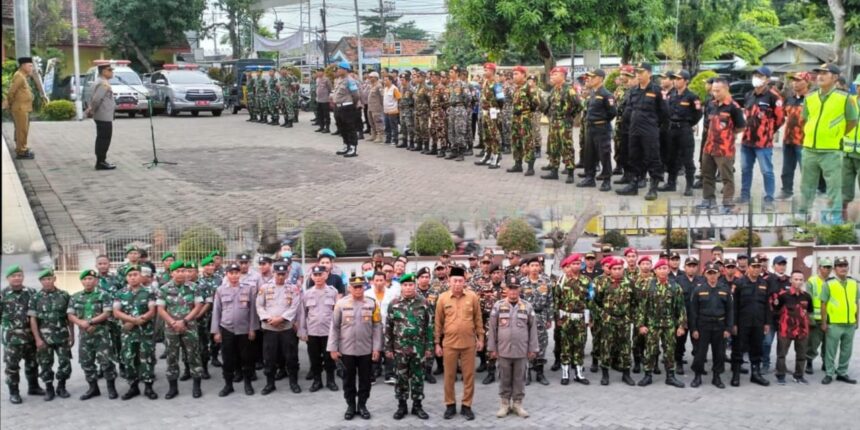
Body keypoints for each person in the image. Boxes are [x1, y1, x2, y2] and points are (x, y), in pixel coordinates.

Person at [801, 64, 858, 224]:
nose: (820, 75)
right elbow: (804, 119)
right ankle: (802, 217)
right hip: (809, 148)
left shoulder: (844, 98)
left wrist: (836, 134)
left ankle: (835, 220)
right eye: (818, 72)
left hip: (831, 150)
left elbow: (852, 121)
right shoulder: (810, 97)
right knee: (807, 186)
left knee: (834, 188)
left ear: (834, 77)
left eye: (825, 73)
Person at [329, 276, 382, 420]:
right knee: (348, 380)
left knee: (365, 380)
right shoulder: (340, 304)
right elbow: (334, 327)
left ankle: (363, 405)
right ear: (349, 288)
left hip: (366, 349)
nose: (358, 289)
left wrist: (377, 348)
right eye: (355, 287)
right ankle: (351, 405)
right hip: (346, 350)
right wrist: (333, 348)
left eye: (360, 286)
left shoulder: (372, 303)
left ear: (364, 287)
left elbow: (377, 327)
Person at [435, 266, 483, 421]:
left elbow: (478, 319)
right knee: (449, 377)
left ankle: (466, 405)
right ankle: (450, 405)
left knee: (469, 376)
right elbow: (438, 323)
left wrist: (481, 338)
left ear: (464, 282)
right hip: (449, 344)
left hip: (469, 344)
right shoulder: (442, 298)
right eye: (454, 280)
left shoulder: (472, 297)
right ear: (449, 281)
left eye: (460, 281)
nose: (457, 284)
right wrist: (437, 343)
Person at [486, 275, 538, 419]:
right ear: (506, 289)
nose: (513, 292)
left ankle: (517, 404)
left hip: (521, 350)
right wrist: (492, 348)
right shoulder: (498, 306)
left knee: (519, 378)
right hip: (503, 350)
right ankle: (504, 404)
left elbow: (532, 329)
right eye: (510, 288)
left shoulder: (527, 306)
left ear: (519, 289)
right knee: (504, 378)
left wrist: (533, 348)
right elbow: (492, 328)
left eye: (515, 289)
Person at [617, 62, 668, 200]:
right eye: (637, 72)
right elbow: (629, 109)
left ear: (649, 73)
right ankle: (633, 184)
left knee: (652, 158)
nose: (638, 75)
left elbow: (664, 113)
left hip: (649, 130)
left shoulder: (657, 91)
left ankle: (653, 188)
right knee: (634, 157)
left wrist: (655, 127)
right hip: (634, 130)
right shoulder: (633, 91)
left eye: (642, 72)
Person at [385, 273, 433, 420]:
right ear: (401, 286)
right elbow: (388, 327)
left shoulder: (424, 303)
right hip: (400, 349)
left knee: (418, 377)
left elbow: (430, 326)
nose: (408, 288)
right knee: (401, 378)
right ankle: (402, 406)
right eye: (405, 285)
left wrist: (429, 347)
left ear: (415, 285)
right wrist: (388, 347)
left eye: (411, 285)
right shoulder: (394, 304)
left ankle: (417, 406)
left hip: (418, 349)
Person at [634, 260, 687, 388]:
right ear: (655, 271)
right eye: (660, 268)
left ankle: (671, 376)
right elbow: (641, 307)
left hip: (669, 324)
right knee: (651, 350)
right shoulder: (648, 286)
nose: (663, 270)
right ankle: (648, 375)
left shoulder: (675, 287)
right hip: (652, 324)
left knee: (669, 350)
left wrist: (681, 326)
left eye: (665, 268)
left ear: (668, 270)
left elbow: (681, 308)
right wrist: (641, 325)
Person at [697, 78, 746, 212]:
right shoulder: (711, 104)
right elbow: (707, 122)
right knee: (707, 174)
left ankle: (727, 204)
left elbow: (741, 126)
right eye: (713, 90)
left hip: (724, 149)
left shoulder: (733, 107)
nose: (715, 93)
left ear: (726, 89)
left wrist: (728, 135)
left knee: (726, 177)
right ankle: (708, 200)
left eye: (718, 91)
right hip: (709, 146)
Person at [739, 66, 784, 211]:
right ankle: (744, 195)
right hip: (747, 140)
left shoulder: (773, 97)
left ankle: (769, 199)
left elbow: (780, 119)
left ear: (767, 79)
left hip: (763, 143)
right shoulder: (748, 95)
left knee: (767, 171)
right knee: (745, 169)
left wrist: (767, 132)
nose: (756, 78)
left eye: (761, 76)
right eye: (755, 75)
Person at [157, 260, 204, 399]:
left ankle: (197, 386)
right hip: (171, 329)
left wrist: (184, 321)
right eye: (178, 271)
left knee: (194, 356)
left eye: (184, 270)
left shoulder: (194, 287)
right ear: (172, 273)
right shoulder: (164, 289)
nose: (181, 273)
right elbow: (160, 309)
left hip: (189, 327)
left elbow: (198, 306)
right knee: (172, 357)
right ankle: (173, 388)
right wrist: (173, 322)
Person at [211, 262, 259, 397]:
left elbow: (252, 312)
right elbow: (217, 311)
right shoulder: (220, 290)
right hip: (227, 329)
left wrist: (252, 328)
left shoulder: (248, 289)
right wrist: (216, 331)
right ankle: (228, 385)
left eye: (236, 273)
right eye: (231, 273)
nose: (234, 276)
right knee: (228, 359)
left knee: (247, 358)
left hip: (244, 330)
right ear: (227, 274)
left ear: (240, 274)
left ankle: (248, 383)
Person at [111, 266, 158, 400]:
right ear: (126, 278)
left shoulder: (149, 292)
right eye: (130, 275)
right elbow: (116, 312)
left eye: (135, 274)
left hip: (145, 333)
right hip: (128, 333)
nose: (133, 277)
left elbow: (152, 310)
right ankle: (133, 387)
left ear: (141, 276)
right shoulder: (120, 293)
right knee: (129, 358)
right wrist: (132, 320)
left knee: (147, 358)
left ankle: (148, 387)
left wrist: (140, 320)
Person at [256, 261, 303, 395]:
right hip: (270, 329)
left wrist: (281, 318)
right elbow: (259, 306)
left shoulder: (293, 288)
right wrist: (269, 319)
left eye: (283, 274)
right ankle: (270, 384)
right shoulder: (264, 288)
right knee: (269, 358)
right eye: (278, 274)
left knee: (291, 357)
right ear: (273, 273)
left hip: (286, 328)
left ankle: (293, 382)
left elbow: (295, 306)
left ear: (287, 274)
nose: (281, 277)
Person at [29, 269, 74, 400]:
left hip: (62, 336)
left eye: (49, 279)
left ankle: (61, 386)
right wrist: (37, 339)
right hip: (44, 338)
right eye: (44, 279)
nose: (47, 281)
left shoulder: (64, 295)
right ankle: (49, 388)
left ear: (54, 279)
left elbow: (69, 316)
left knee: (65, 362)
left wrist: (72, 334)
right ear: (40, 281)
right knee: (45, 363)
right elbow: (33, 319)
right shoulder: (35, 298)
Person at [689, 263, 732, 388]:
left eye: (715, 273)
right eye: (709, 273)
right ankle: (697, 376)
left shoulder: (725, 289)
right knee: (700, 353)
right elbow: (693, 312)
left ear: (719, 274)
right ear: (705, 274)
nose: (712, 276)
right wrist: (694, 329)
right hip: (703, 325)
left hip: (719, 325)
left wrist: (728, 328)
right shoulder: (698, 289)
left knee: (719, 353)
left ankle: (716, 377)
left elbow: (730, 310)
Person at [594, 258, 636, 385]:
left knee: (625, 347)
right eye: (614, 269)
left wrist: (630, 316)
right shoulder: (603, 283)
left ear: (623, 269)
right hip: (608, 320)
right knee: (606, 346)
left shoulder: (630, 283)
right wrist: (603, 315)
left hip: (624, 320)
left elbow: (635, 301)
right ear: (610, 270)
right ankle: (605, 374)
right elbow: (596, 301)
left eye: (619, 268)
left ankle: (626, 374)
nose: (617, 271)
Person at [731, 256, 771, 387]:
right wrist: (734, 324)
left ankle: (755, 374)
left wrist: (766, 323)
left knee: (757, 348)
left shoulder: (764, 283)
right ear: (748, 267)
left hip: (758, 323)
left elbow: (766, 305)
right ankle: (736, 374)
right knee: (738, 349)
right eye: (753, 266)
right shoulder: (739, 283)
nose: (756, 269)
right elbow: (734, 306)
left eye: (758, 266)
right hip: (742, 322)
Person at [661, 70, 703, 195]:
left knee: (687, 158)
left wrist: (689, 124)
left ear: (686, 81)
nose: (676, 81)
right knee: (671, 158)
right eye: (675, 78)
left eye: (679, 79)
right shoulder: (671, 95)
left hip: (684, 130)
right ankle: (671, 183)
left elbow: (698, 114)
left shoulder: (692, 96)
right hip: (671, 129)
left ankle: (689, 186)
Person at [554, 254, 592, 385]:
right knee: (566, 345)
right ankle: (565, 374)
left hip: (580, 318)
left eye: (578, 263)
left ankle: (579, 374)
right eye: (573, 264)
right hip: (566, 318)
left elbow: (590, 301)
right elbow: (556, 300)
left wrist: (590, 318)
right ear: (568, 266)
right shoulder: (562, 280)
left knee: (580, 345)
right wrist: (557, 318)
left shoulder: (586, 280)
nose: (576, 266)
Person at [301, 265, 340, 392]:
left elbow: (337, 313)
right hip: (312, 332)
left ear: (326, 275)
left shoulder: (333, 292)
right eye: (315, 275)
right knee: (314, 358)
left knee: (329, 359)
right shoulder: (307, 293)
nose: (318, 277)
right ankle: (317, 381)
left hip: (329, 332)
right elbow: (303, 313)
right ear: (312, 276)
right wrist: (303, 330)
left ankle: (331, 381)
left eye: (320, 274)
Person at [820, 257, 858, 384]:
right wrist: (824, 322)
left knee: (847, 351)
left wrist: (857, 320)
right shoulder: (829, 283)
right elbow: (823, 304)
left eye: (845, 265)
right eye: (839, 265)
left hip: (849, 323)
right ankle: (829, 373)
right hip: (834, 324)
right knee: (830, 350)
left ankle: (842, 372)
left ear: (848, 267)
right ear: (835, 269)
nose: (843, 268)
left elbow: (856, 302)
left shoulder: (854, 283)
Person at [772, 270, 813, 385]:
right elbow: (776, 310)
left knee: (801, 355)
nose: (798, 282)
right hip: (786, 330)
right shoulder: (783, 295)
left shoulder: (807, 296)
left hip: (802, 330)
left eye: (800, 279)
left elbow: (809, 311)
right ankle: (780, 375)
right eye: (795, 279)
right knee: (781, 354)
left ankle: (799, 376)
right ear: (790, 280)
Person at [579, 69, 617, 191]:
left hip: (601, 128)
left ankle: (606, 180)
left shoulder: (607, 94)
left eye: (593, 77)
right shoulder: (592, 93)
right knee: (589, 153)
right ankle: (590, 178)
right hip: (590, 128)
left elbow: (612, 112)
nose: (589, 79)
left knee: (604, 154)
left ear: (600, 78)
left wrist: (601, 121)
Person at [519, 256, 553, 385]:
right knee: (525, 344)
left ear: (540, 267)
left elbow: (550, 301)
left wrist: (549, 318)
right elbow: (518, 302)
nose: (534, 268)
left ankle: (540, 373)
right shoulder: (521, 283)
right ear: (527, 268)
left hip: (541, 316)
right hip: (525, 318)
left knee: (541, 345)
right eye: (532, 265)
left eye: (536, 265)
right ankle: (526, 373)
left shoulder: (546, 282)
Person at [779, 72, 813, 199]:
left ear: (806, 82)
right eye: (793, 80)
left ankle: (808, 195)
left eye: (798, 80)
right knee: (787, 168)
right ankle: (786, 190)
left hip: (804, 141)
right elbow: (784, 116)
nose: (795, 83)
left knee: (806, 170)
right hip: (788, 139)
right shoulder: (789, 99)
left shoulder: (811, 99)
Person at [5, 57, 45, 160]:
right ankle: (21, 151)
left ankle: (23, 147)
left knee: (23, 130)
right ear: (23, 66)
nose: (32, 68)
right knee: (21, 130)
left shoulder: (23, 76)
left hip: (24, 108)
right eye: (29, 65)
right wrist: (10, 104)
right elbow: (11, 92)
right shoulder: (19, 76)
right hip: (19, 108)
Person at [507, 65, 541, 176]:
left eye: (517, 74)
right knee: (515, 140)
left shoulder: (528, 87)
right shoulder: (516, 87)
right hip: (515, 118)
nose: (514, 76)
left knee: (527, 141)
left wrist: (527, 111)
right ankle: (518, 164)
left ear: (523, 75)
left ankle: (530, 167)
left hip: (525, 117)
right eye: (513, 74)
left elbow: (536, 102)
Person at [86, 63, 118, 170]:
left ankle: (101, 161)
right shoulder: (103, 83)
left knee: (102, 138)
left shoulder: (100, 82)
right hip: (103, 115)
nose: (112, 72)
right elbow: (96, 100)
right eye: (110, 70)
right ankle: (100, 162)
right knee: (104, 139)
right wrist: (91, 110)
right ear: (104, 71)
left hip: (103, 115)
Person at [476, 63, 505, 169]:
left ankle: (496, 157)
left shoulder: (496, 84)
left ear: (492, 71)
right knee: (486, 134)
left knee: (494, 134)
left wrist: (496, 110)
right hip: (485, 112)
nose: (484, 72)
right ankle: (487, 155)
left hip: (493, 112)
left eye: (486, 70)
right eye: (484, 70)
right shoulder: (485, 82)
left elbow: (501, 100)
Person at [331, 61, 361, 158]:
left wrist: (353, 104)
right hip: (338, 107)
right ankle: (346, 145)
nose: (338, 70)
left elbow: (356, 95)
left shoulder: (350, 80)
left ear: (345, 69)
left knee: (350, 128)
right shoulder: (339, 79)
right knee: (342, 128)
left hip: (347, 107)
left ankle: (353, 147)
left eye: (340, 68)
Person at [446, 65, 472, 161]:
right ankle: (453, 150)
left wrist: (463, 104)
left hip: (460, 108)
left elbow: (469, 97)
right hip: (452, 108)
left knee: (459, 130)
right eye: (449, 72)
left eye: (451, 72)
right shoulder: (450, 84)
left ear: (457, 73)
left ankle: (461, 152)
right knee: (451, 130)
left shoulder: (462, 84)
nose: (450, 74)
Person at [398, 73, 416, 150]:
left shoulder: (411, 89)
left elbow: (415, 100)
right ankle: (404, 141)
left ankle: (411, 142)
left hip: (409, 110)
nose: (401, 81)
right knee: (403, 126)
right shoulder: (401, 88)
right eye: (400, 80)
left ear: (407, 80)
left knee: (410, 127)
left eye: (402, 80)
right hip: (403, 109)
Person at [382, 74, 401, 145]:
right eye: (384, 80)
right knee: (387, 126)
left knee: (393, 126)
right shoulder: (385, 89)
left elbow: (399, 98)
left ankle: (395, 140)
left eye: (386, 80)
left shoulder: (394, 88)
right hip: (386, 111)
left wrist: (396, 108)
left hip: (393, 110)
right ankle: (388, 139)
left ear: (390, 80)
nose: (384, 81)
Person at [367, 72, 384, 143]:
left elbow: (382, 97)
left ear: (376, 77)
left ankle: (380, 136)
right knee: (371, 122)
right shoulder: (371, 85)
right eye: (369, 77)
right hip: (370, 107)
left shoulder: (379, 86)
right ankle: (373, 135)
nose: (370, 78)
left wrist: (381, 106)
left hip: (377, 107)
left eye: (371, 77)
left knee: (378, 122)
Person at [315, 68, 332, 133]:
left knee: (326, 114)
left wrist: (328, 96)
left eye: (319, 72)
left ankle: (327, 128)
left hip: (325, 100)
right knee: (319, 114)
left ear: (323, 72)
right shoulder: (317, 79)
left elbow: (330, 88)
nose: (318, 73)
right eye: (318, 72)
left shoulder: (326, 79)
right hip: (318, 99)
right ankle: (321, 126)